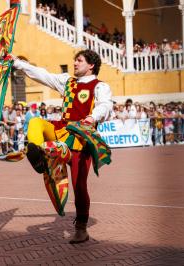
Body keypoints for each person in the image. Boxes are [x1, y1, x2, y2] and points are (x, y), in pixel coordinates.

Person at [12, 49, 113, 244]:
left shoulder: (100, 86)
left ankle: (81, 228)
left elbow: (106, 105)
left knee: (79, 185)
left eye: (79, 60)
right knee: (35, 123)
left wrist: (93, 117)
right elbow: (43, 75)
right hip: (61, 131)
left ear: (91, 65)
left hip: (81, 139)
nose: (75, 63)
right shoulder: (68, 81)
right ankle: (39, 156)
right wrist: (18, 63)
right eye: (75, 60)